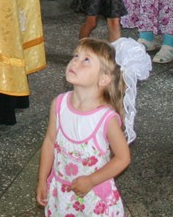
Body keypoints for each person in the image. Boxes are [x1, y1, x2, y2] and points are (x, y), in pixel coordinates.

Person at [36, 38, 129, 217]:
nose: (75, 62)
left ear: (104, 79)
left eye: (86, 60)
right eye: (76, 55)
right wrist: (42, 179)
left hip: (93, 198)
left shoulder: (105, 118)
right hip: (61, 192)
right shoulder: (59, 104)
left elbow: (123, 158)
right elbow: (49, 141)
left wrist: (91, 180)